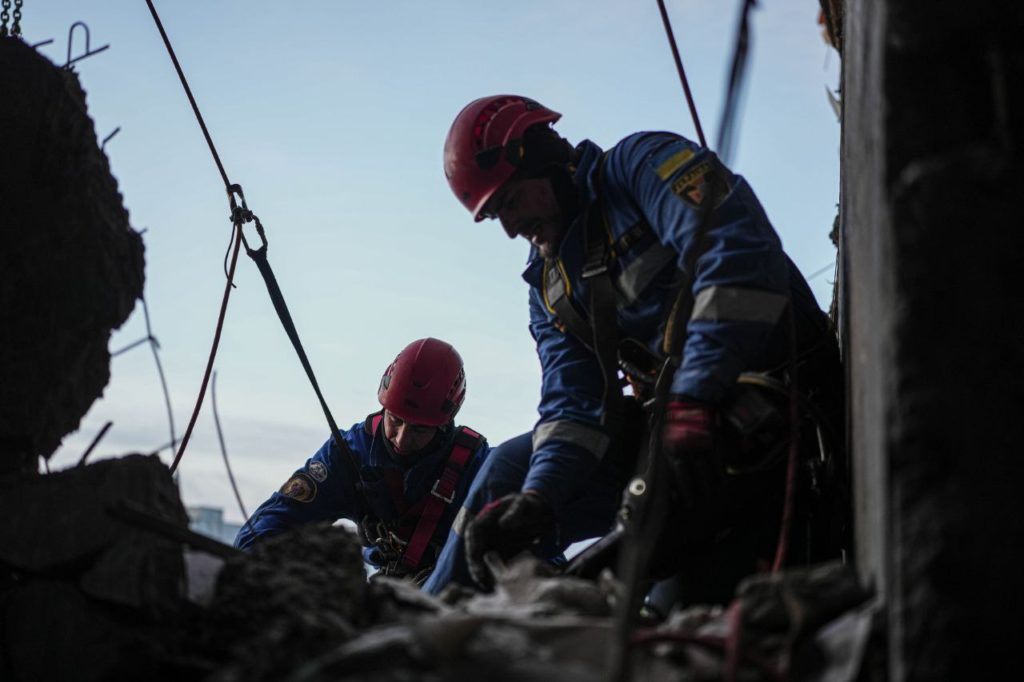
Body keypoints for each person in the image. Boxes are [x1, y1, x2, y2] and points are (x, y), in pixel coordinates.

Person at [423, 95, 845, 602]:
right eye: (496, 217)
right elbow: (573, 408)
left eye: (511, 202)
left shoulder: (642, 167)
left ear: (543, 158)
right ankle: (425, 625)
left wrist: (694, 396)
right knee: (508, 474)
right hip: (674, 427)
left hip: (780, 396)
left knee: (669, 588)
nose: (512, 228)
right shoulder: (550, 287)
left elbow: (738, 256)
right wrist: (541, 495)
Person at [236, 337, 490, 585]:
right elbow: (275, 521)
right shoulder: (350, 454)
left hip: (454, 596)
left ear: (444, 424)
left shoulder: (476, 466)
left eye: (419, 430)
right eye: (396, 420)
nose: (401, 439)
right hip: (385, 593)